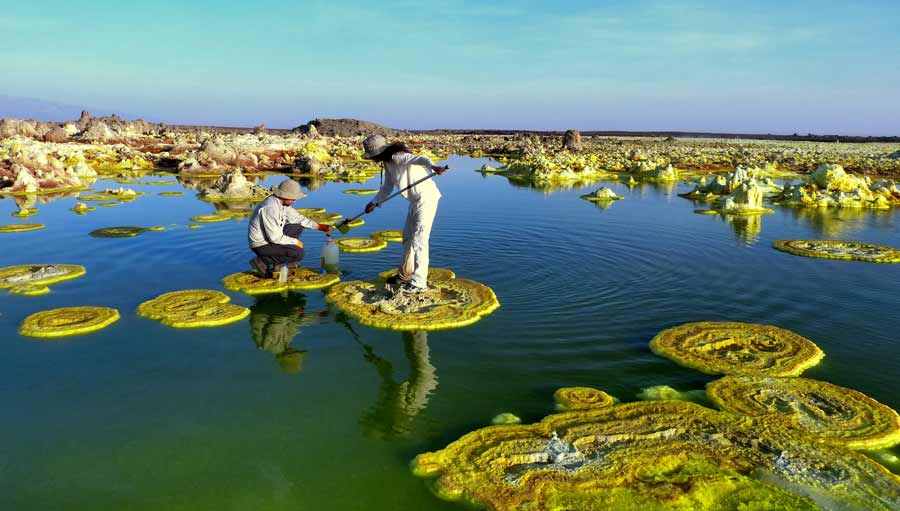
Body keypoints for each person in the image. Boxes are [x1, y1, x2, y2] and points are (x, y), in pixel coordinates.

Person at [359, 134, 447, 293]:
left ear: (378, 153)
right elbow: (387, 187)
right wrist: (374, 202)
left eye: (372, 156)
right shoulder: (387, 163)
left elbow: (418, 159)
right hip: (415, 201)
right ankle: (405, 274)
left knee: (420, 239)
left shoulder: (398, 156)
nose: (372, 159)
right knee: (407, 237)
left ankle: (419, 283)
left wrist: (433, 166)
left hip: (426, 199)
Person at [248, 179, 330, 277]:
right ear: (285, 196)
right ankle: (262, 261)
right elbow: (274, 238)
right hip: (261, 244)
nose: (294, 201)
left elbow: (298, 218)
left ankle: (278, 264)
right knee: (298, 253)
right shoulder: (271, 208)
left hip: (270, 238)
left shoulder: (282, 204)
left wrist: (319, 227)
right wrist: (295, 242)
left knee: (297, 225)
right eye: (293, 199)